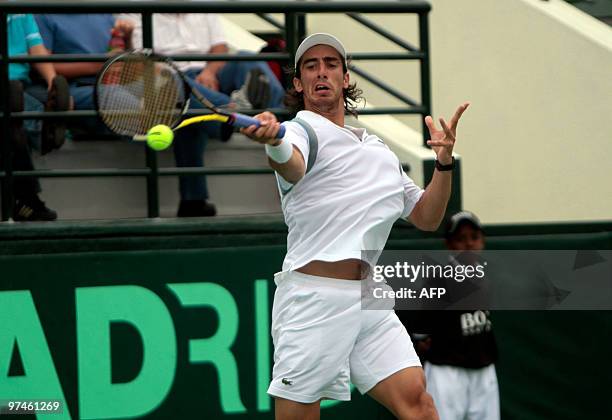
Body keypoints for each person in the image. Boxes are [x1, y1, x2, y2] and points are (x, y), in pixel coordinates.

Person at [240, 33, 470, 419]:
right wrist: (274, 141)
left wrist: (443, 163)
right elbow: (291, 163)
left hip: (368, 297)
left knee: (418, 402)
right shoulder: (302, 130)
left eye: (331, 64)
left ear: (346, 77)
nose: (321, 72)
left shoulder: (378, 151)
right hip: (313, 301)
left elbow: (427, 217)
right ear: (298, 83)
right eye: (311, 66)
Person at [118, 13, 286, 217]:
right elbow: (143, 64)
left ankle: (278, 124)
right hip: (168, 80)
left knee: (247, 58)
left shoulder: (205, 7)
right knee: (176, 93)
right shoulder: (133, 13)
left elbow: (220, 49)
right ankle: (235, 116)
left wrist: (209, 72)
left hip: (209, 74)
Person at [402, 211, 500, 420]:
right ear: (449, 244)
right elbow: (415, 322)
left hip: (483, 369)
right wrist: (420, 341)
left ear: (483, 241)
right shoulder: (439, 279)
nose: (469, 245)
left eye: (474, 237)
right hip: (447, 372)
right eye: (461, 239)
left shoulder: (487, 274)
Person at [5, 13, 70, 221]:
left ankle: (44, 126)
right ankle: (42, 131)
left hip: (20, 85)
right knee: (14, 116)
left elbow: (35, 46)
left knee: (64, 98)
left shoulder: (21, 10)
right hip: (6, 87)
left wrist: (53, 81)